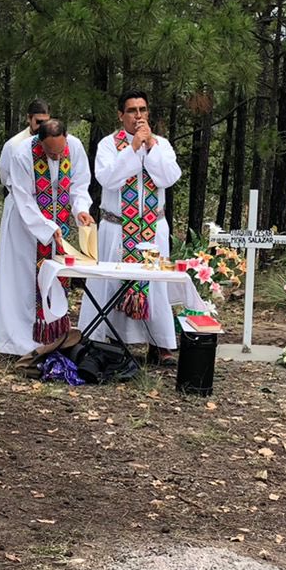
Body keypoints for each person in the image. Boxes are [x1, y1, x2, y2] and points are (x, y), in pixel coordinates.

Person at [82, 92, 184, 366]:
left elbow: (170, 177)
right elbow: (108, 179)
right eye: (131, 110)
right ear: (120, 115)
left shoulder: (161, 144)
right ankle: (117, 339)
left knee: (156, 286)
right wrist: (132, 149)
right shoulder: (108, 145)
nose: (138, 115)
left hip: (153, 226)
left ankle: (159, 343)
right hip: (117, 226)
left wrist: (149, 148)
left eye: (143, 110)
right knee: (114, 282)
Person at [0, 118, 94, 356]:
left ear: (66, 139)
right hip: (26, 227)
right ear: (39, 142)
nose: (56, 157)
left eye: (60, 152)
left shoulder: (75, 148)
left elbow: (79, 185)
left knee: (54, 279)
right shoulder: (22, 154)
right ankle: (19, 342)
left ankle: (54, 336)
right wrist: (47, 227)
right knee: (22, 283)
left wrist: (81, 210)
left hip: (60, 224)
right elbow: (23, 198)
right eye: (50, 152)